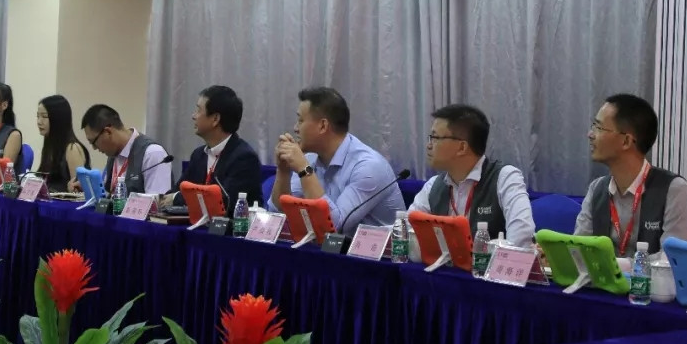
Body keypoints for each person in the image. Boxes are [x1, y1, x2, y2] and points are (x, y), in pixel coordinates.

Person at [574, 93, 687, 257]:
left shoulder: (673, 190)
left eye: (599, 128)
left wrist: (619, 265)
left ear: (626, 141)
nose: (590, 134)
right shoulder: (597, 189)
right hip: (605, 275)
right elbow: (579, 251)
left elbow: (671, 259)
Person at [269, 87, 403, 232]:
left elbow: (333, 227)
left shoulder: (369, 167)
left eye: (301, 120)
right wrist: (283, 170)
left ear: (323, 126)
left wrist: (304, 170)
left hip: (376, 247)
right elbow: (279, 214)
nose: (295, 128)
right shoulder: (309, 159)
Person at [408, 104, 534, 247]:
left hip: (492, 262)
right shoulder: (433, 186)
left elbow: (521, 238)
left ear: (462, 147)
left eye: (435, 137)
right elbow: (406, 231)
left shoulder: (505, 178)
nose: (429, 145)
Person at [163, 85, 262, 214]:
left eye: (198, 110)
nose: (193, 116)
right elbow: (177, 190)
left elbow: (224, 202)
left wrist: (176, 198)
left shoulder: (244, 158)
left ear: (215, 119)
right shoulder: (199, 155)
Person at [77, 104, 172, 195]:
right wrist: (90, 188)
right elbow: (108, 194)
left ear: (108, 132)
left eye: (93, 142)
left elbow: (157, 202)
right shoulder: (113, 154)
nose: (94, 148)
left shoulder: (153, 153)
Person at [35, 95, 90, 193]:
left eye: (44, 116)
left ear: (58, 118)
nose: (39, 122)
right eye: (38, 116)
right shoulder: (49, 147)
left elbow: (79, 192)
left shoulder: (73, 148)